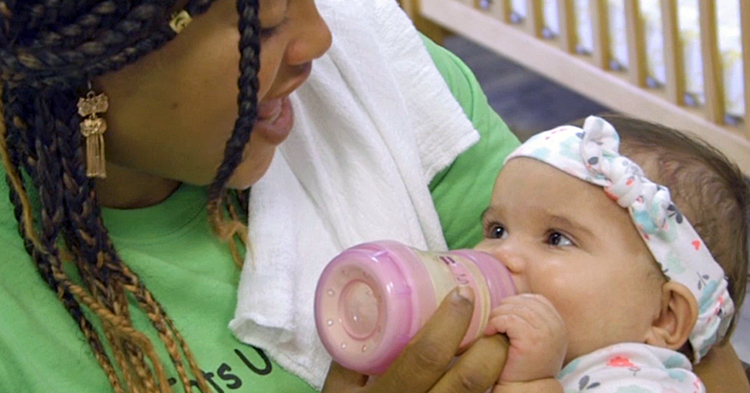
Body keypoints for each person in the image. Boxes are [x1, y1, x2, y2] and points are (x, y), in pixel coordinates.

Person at [0, 0, 746, 392]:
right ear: (88, 55)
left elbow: (696, 335)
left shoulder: (369, 74)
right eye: (263, 20)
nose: (320, 40)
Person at [476, 115, 749, 392]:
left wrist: (527, 385)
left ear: (664, 316)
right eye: (497, 230)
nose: (502, 253)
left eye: (557, 239)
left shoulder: (635, 382)